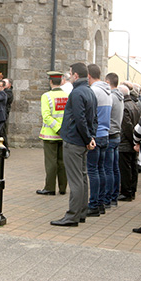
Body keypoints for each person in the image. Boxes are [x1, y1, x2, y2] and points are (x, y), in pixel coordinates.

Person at [51, 62, 97, 227]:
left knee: (76, 180)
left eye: (70, 73)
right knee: (82, 177)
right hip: (82, 141)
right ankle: (81, 212)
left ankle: (72, 216)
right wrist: (91, 137)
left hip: (74, 141)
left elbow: (80, 119)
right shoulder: (90, 92)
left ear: (76, 75)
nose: (69, 76)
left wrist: (87, 138)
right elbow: (93, 119)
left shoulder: (77, 93)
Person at [36, 71, 68, 196]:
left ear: (50, 82)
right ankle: (62, 187)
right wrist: (63, 130)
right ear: (61, 81)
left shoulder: (46, 96)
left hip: (50, 134)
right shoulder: (67, 96)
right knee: (62, 162)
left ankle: (49, 187)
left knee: (51, 162)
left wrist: (57, 128)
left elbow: (46, 116)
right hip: (64, 134)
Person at [86, 64, 112, 217]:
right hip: (105, 134)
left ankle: (94, 204)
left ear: (88, 76)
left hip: (96, 135)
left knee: (93, 171)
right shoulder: (107, 91)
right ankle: (101, 202)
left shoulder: (94, 91)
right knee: (101, 169)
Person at [103, 73, 123, 208]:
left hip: (110, 135)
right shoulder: (120, 97)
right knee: (115, 168)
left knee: (108, 169)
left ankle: (108, 198)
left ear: (107, 81)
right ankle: (114, 196)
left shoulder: (112, 97)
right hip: (117, 135)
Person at [118, 85, 140, 202]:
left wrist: (132, 142)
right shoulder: (134, 105)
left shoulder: (124, 107)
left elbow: (127, 127)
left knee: (125, 169)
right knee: (133, 167)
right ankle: (132, 191)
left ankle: (126, 192)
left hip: (126, 143)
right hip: (132, 143)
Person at [0, 77, 13, 157]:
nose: (3, 84)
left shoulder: (8, 92)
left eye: (5, 83)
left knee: (2, 132)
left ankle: (6, 150)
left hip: (3, 114)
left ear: (9, 85)